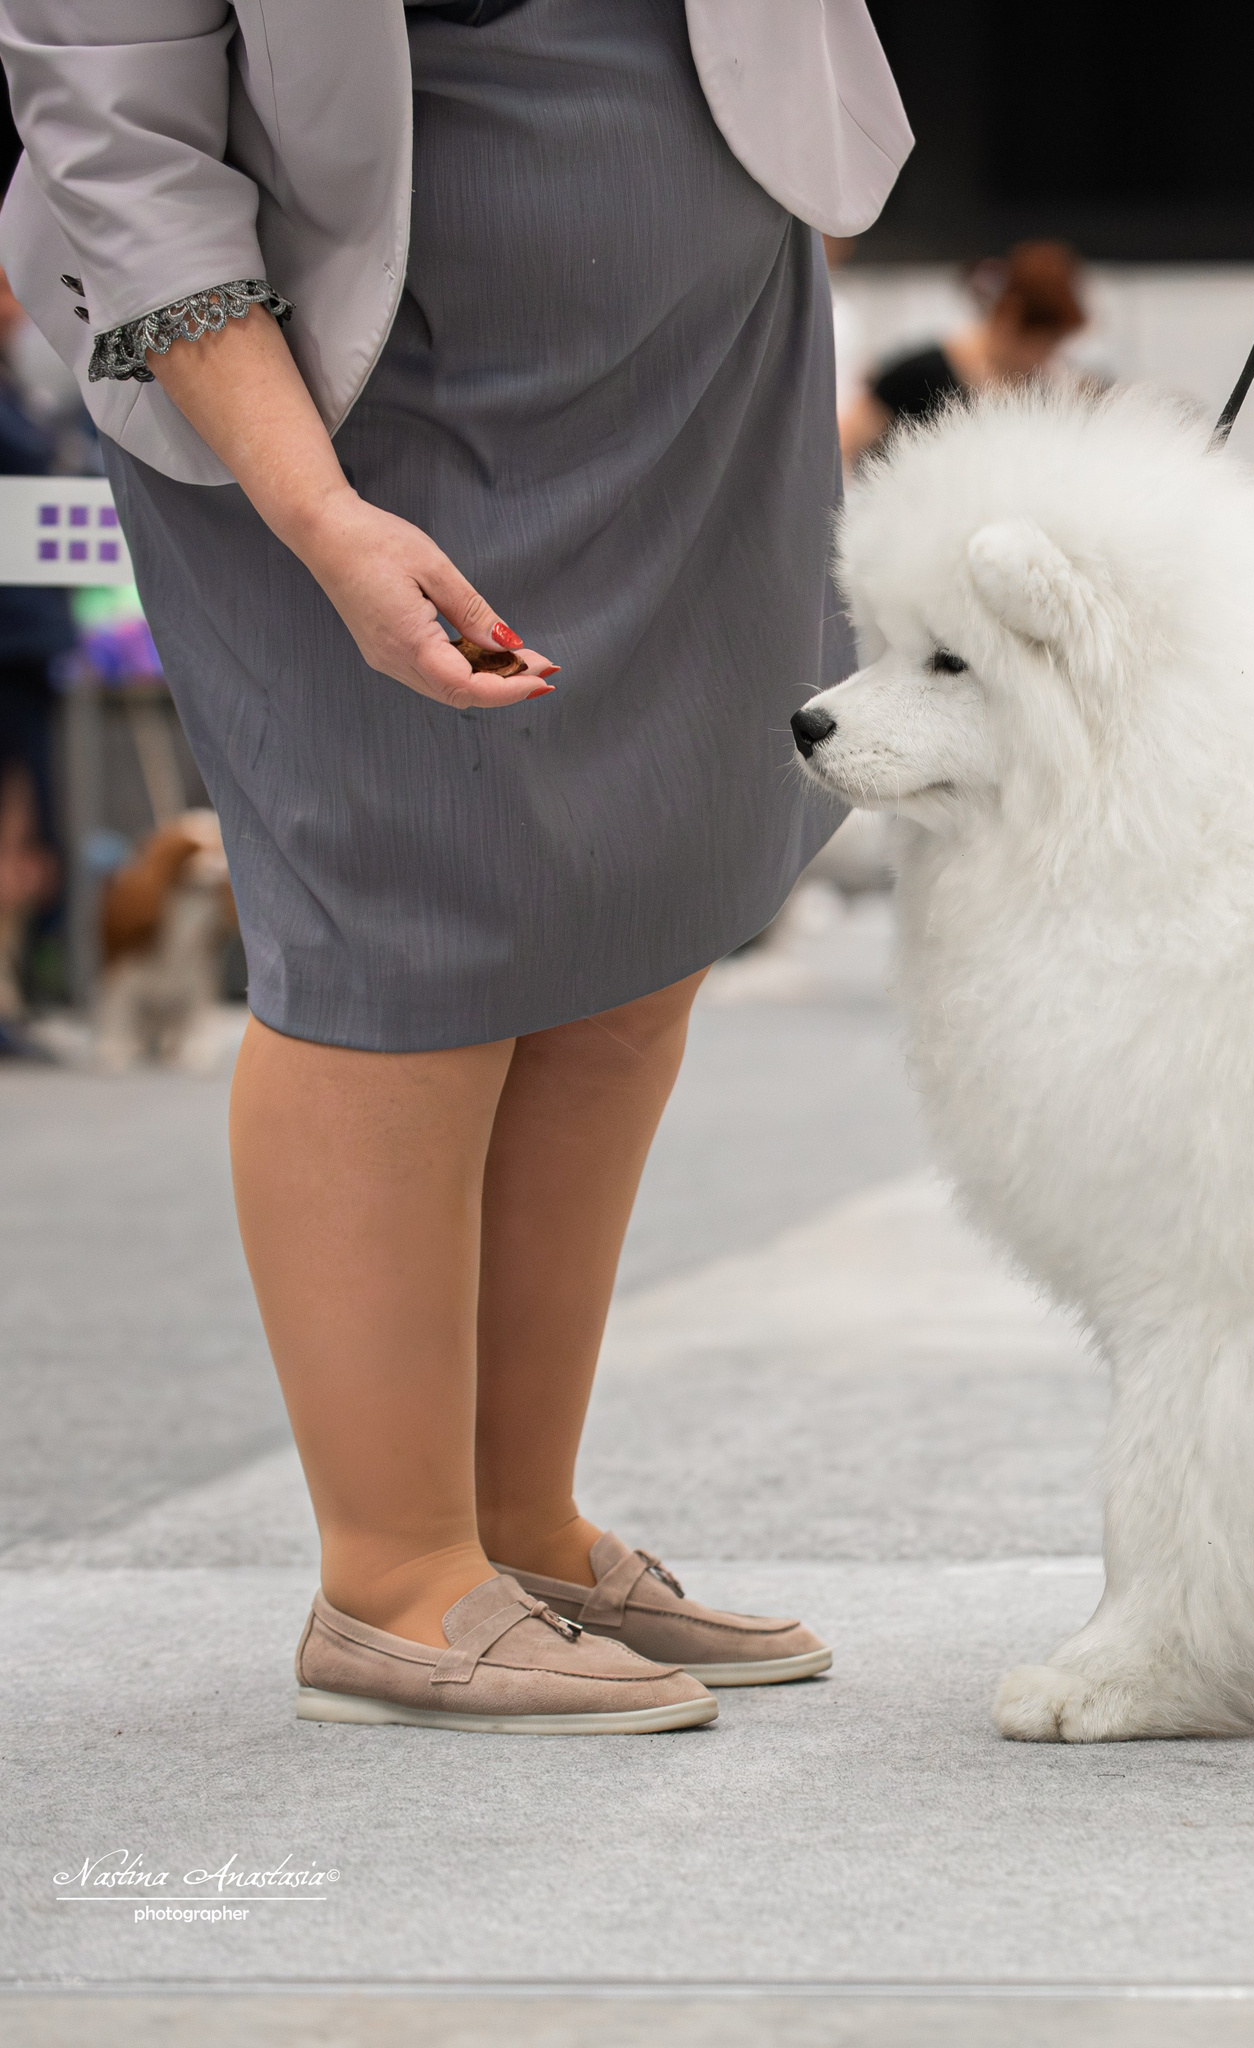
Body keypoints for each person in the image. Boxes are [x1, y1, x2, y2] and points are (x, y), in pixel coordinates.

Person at [0, 0, 911, 1733]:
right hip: (326, 375)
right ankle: (394, 1572)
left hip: (708, 341)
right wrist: (317, 511)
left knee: (646, 910)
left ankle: (519, 1525)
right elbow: (116, 131)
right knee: (396, 923)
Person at [0, 266, 75, 1044]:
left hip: (31, 642)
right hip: (8, 637)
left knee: (27, 833)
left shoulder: (25, 393)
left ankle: (13, 989)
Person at [839, 241, 1087, 464]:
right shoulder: (918, 375)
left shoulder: (1037, 389)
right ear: (1010, 317)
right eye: (1044, 344)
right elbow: (843, 443)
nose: (1047, 359)